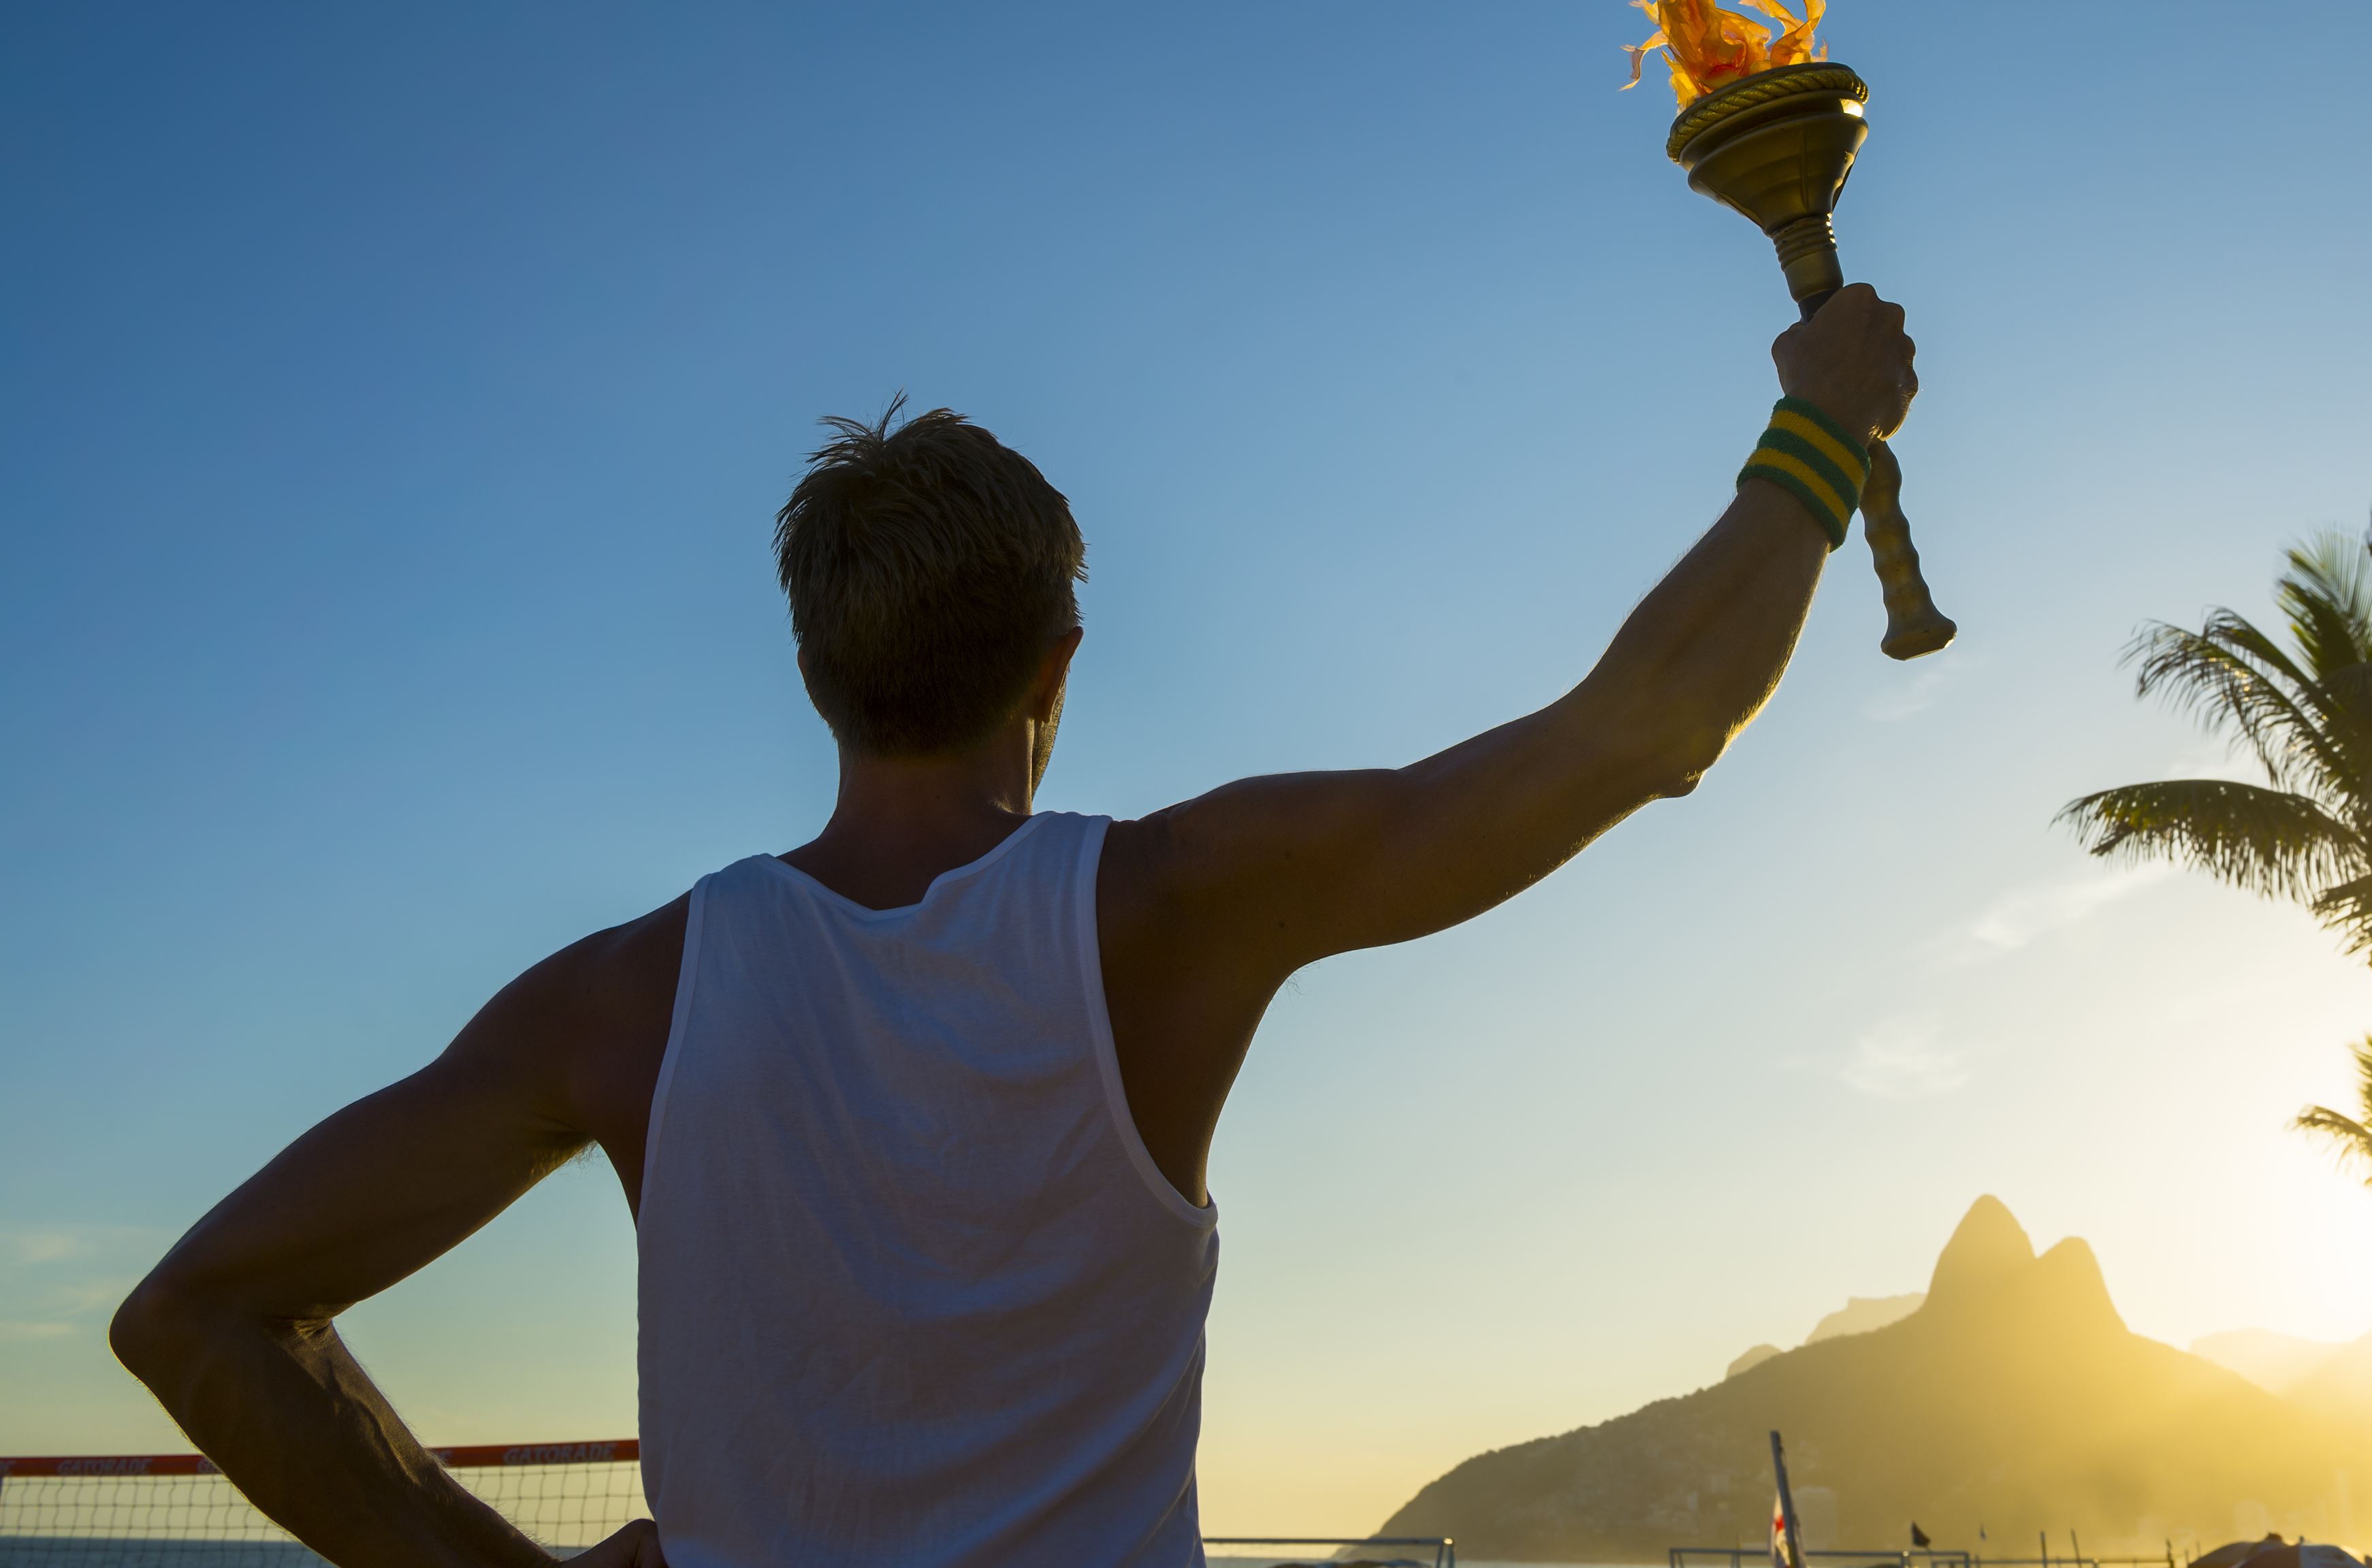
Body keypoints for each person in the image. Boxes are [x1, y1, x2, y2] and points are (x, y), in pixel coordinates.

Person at [110, 285, 1921, 1568]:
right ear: (1055, 666)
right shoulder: (1162, 914)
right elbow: (1640, 731)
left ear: (818, 678)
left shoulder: (617, 1003)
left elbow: (198, 1320)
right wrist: (1820, 432)